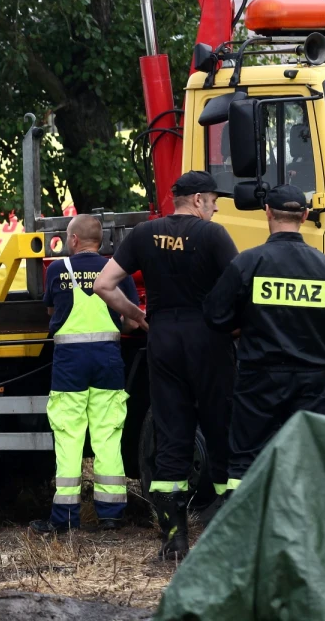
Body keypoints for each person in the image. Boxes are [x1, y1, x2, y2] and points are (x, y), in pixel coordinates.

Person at [94, 170, 238, 562]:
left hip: (163, 339)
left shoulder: (143, 234)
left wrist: (137, 315)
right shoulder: (213, 235)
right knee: (220, 429)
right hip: (207, 338)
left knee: (172, 438)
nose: (215, 207)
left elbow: (103, 285)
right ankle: (227, 538)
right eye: (212, 200)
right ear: (196, 201)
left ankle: (174, 542)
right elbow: (239, 285)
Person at [203, 184, 325, 494]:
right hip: (314, 381)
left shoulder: (248, 262)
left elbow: (214, 316)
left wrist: (246, 323)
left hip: (259, 379)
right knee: (312, 458)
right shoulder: (324, 266)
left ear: (267, 212)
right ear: (306, 215)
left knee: (246, 459)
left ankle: (244, 529)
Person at [30, 215, 139, 534]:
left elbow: (52, 313)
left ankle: (64, 518)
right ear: (101, 241)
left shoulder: (56, 270)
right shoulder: (116, 271)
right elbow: (132, 319)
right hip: (108, 363)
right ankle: (111, 515)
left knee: (69, 437)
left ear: (74, 240)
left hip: (69, 366)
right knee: (107, 436)